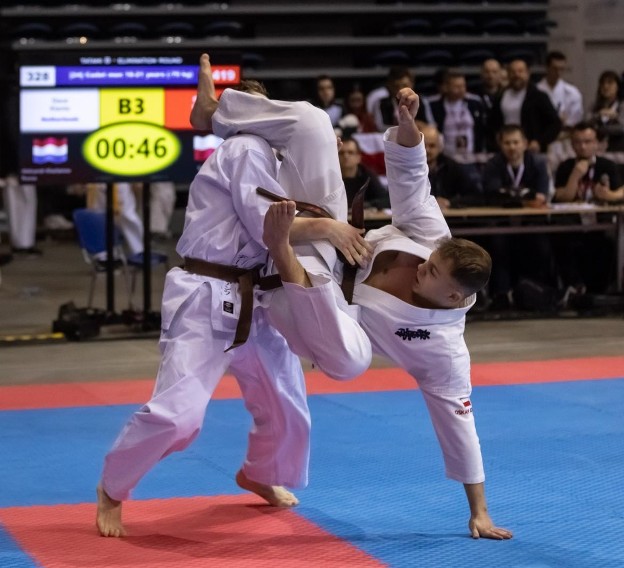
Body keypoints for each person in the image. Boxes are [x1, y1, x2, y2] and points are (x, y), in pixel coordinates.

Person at [202, 68, 512, 539]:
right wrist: (409, 128)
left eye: (431, 274)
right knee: (314, 123)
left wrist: (479, 511)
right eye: (430, 260)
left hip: (304, 306)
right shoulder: (435, 239)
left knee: (352, 361)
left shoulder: (442, 349)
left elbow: (459, 427)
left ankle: (277, 247)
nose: (423, 265)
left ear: (454, 297)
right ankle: (217, 112)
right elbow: (411, 180)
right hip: (329, 242)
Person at [95, 57, 373, 538]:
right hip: (207, 293)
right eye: (261, 106)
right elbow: (267, 226)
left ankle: (260, 473)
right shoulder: (245, 148)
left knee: (286, 408)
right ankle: (111, 488)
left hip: (256, 294)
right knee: (178, 415)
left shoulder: (275, 159)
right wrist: (330, 225)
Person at [481, 124, 553, 309]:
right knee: (498, 244)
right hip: (501, 222)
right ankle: (502, 294)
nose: (512, 147)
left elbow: (542, 195)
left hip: (531, 222)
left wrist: (511, 195)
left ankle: (536, 292)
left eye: (515, 142)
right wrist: (526, 196)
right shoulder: (493, 164)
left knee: (542, 244)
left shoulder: (537, 163)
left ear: (525, 144)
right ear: (501, 145)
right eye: (507, 143)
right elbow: (492, 194)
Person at [552, 122, 624, 293]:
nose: (583, 146)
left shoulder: (607, 166)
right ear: (572, 144)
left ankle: (602, 289)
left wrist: (607, 195)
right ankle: (573, 287)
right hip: (573, 223)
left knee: (607, 245)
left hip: (601, 223)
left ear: (596, 143)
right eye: (578, 142)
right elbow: (562, 197)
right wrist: (575, 175)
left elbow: (622, 193)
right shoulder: (566, 167)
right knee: (560, 241)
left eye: (588, 141)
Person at [490, 59, 561, 153]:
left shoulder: (539, 96)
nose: (516, 75)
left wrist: (540, 142)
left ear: (527, 73)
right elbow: (492, 123)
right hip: (506, 148)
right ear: (508, 74)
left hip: (530, 149)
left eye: (520, 71)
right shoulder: (500, 96)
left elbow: (555, 124)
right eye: (513, 72)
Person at [429, 70, 489, 159]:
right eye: (456, 86)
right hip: (447, 155)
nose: (461, 89)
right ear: (446, 87)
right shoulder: (434, 105)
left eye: (463, 86)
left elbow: (482, 129)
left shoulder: (475, 102)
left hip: (471, 155)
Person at [421, 124, 480, 209]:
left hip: (449, 218)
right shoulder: (408, 169)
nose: (427, 150)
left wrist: (449, 202)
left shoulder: (452, 167)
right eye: (423, 145)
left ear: (440, 147)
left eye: (432, 146)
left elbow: (474, 196)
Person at [587, 70, 624, 152]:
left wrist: (615, 118)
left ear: (617, 86)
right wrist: (599, 115)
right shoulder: (595, 105)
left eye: (610, 83)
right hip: (597, 148)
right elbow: (586, 122)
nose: (606, 86)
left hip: (618, 148)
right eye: (603, 83)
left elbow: (623, 127)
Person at [536, 50, 583, 130]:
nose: (558, 72)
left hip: (566, 134)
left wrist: (565, 122)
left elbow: (576, 118)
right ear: (547, 68)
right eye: (555, 69)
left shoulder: (572, 92)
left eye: (561, 69)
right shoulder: (536, 90)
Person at [338, 137, 389, 209]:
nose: (346, 156)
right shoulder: (330, 178)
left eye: (350, 152)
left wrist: (367, 205)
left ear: (358, 157)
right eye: (341, 153)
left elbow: (385, 200)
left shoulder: (367, 176)